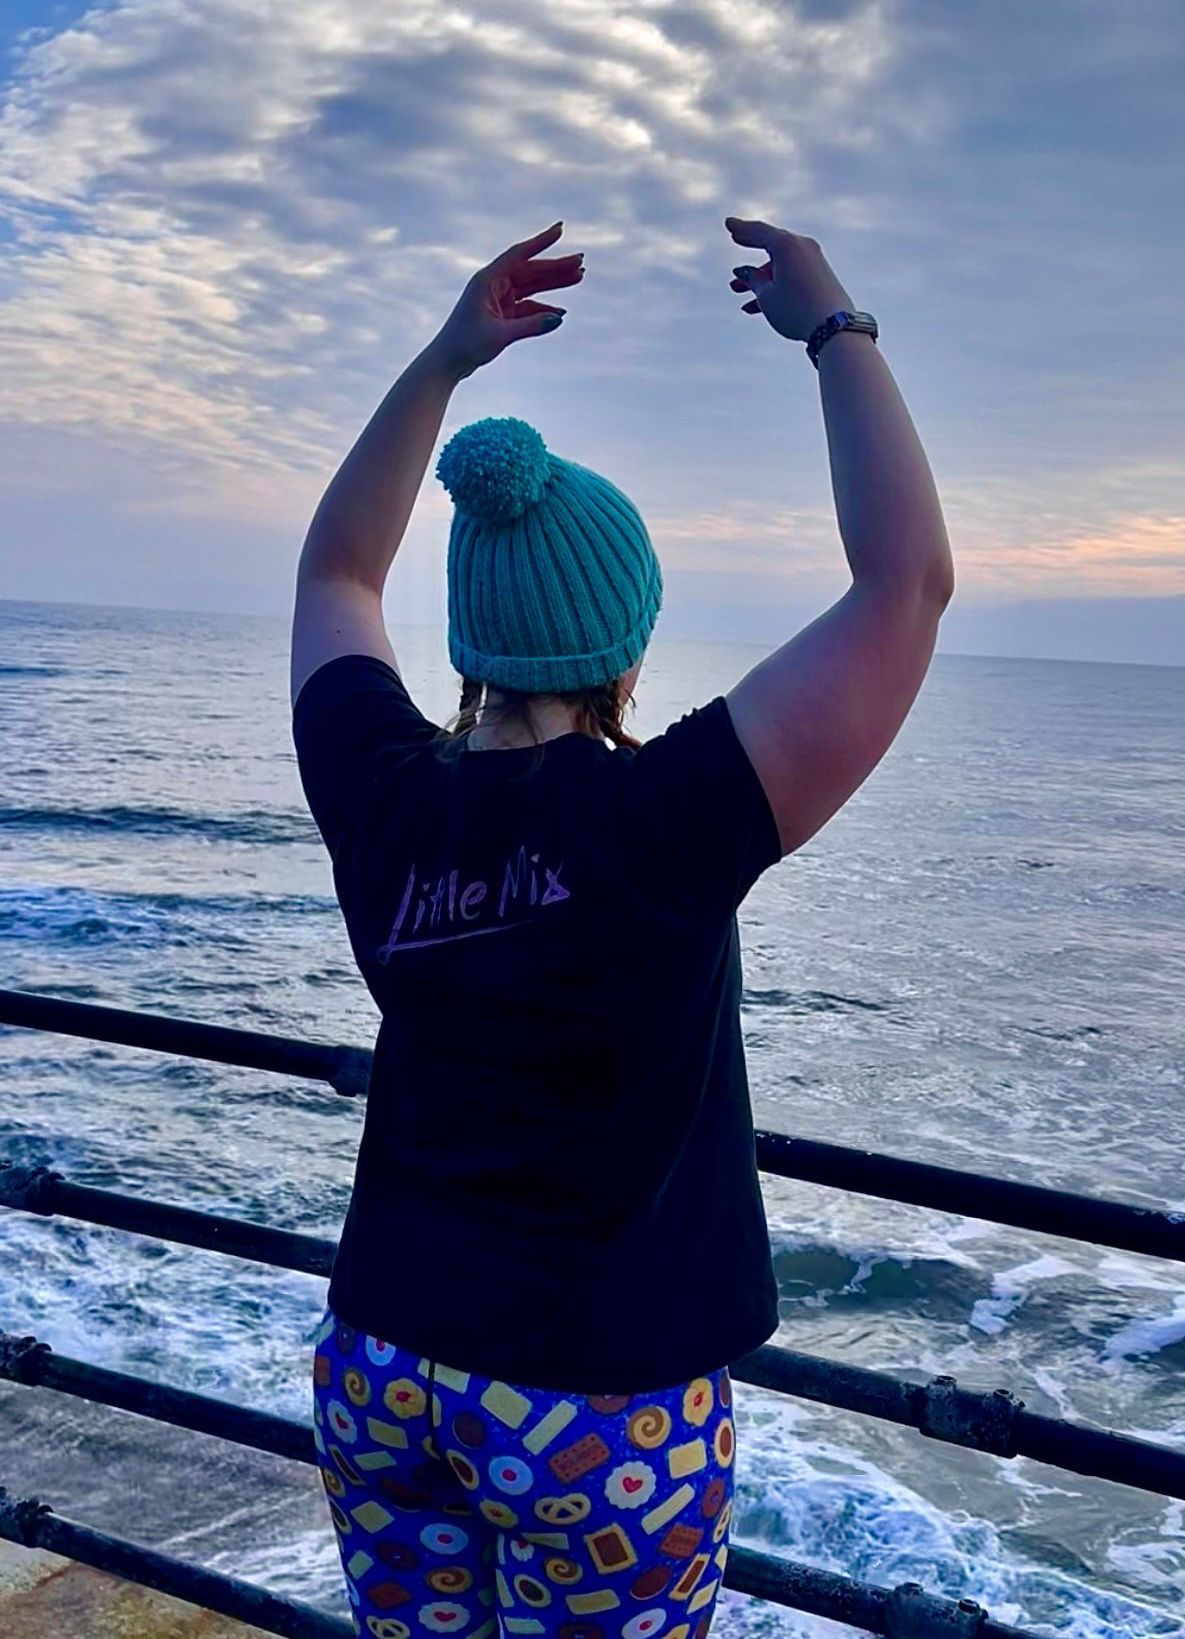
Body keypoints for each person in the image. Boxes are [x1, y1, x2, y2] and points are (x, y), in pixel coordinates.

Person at [291, 215, 954, 1639]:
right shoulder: (668, 818)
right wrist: (836, 330)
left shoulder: (384, 791)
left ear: (471, 641)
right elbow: (906, 586)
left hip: (383, 1363)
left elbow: (336, 577)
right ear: (628, 642)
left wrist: (444, 361)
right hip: (599, 1410)